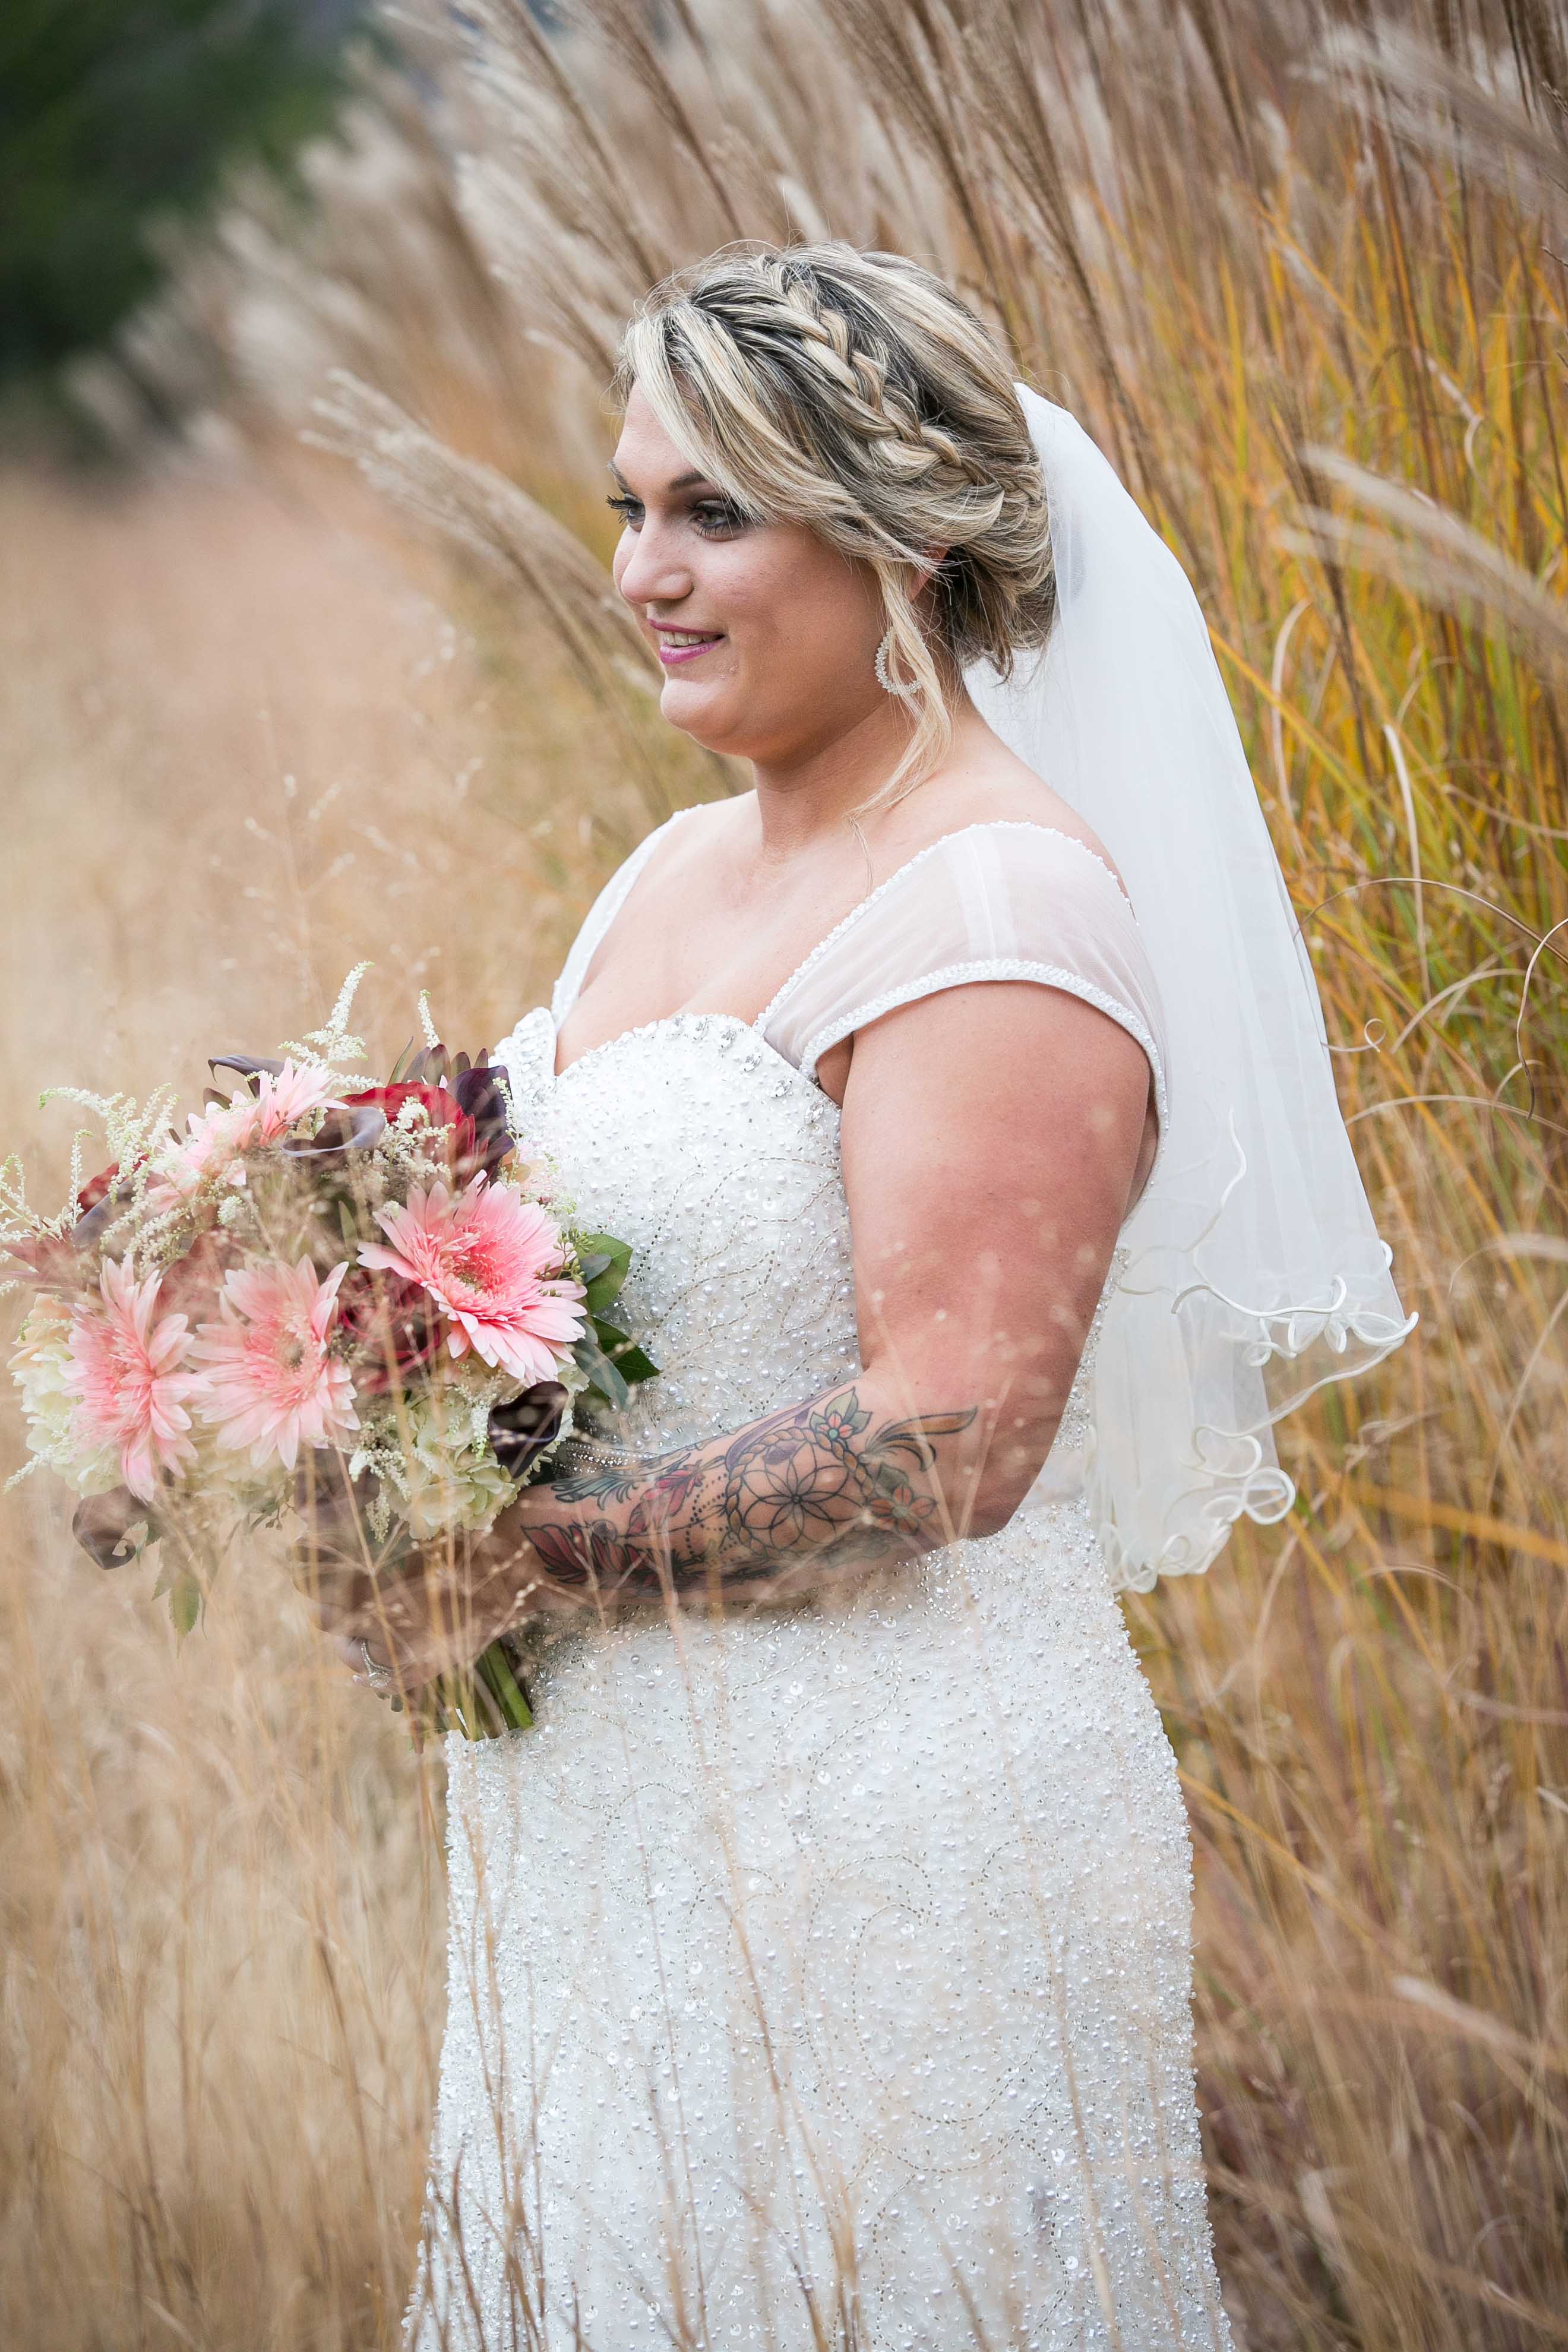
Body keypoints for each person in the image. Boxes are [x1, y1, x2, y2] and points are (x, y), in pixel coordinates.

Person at [306, 242, 1416, 2349]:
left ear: (903, 536)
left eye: (715, 514)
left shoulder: (998, 902)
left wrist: (526, 1561)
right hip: (607, 1817)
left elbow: (953, 1434)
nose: (643, 570)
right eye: (632, 504)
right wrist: (373, 1444)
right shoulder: (670, 870)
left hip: (886, 1825)